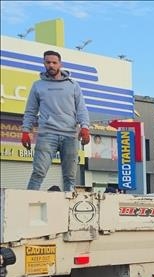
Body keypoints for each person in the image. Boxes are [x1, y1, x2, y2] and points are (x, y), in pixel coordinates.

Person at [21, 50, 90, 192]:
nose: (51, 65)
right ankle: (27, 203)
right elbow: (30, 111)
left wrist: (85, 127)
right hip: (47, 134)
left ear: (60, 64)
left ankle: (69, 209)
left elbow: (81, 109)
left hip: (70, 135)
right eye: (48, 62)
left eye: (54, 62)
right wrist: (25, 131)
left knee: (70, 177)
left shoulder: (73, 85)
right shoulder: (38, 86)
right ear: (44, 63)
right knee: (38, 173)